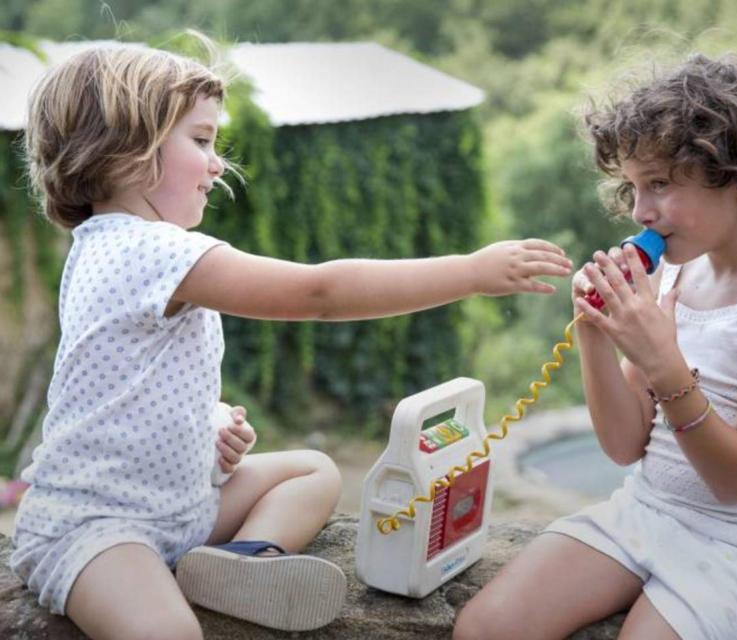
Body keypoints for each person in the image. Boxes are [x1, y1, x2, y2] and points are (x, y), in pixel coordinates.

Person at [10, 42, 573, 640]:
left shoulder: (108, 246)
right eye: (201, 140)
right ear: (126, 148)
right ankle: (226, 567)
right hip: (101, 527)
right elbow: (319, 293)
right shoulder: (146, 249)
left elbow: (126, 383)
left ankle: (241, 565)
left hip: (179, 508)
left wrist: (210, 422)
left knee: (312, 472)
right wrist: (470, 272)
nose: (217, 164)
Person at [454, 53, 737, 640]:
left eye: (660, 184)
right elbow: (623, 446)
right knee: (485, 628)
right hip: (651, 510)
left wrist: (663, 362)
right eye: (635, 188)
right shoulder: (676, 272)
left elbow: (736, 481)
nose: (641, 212)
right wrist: (594, 332)